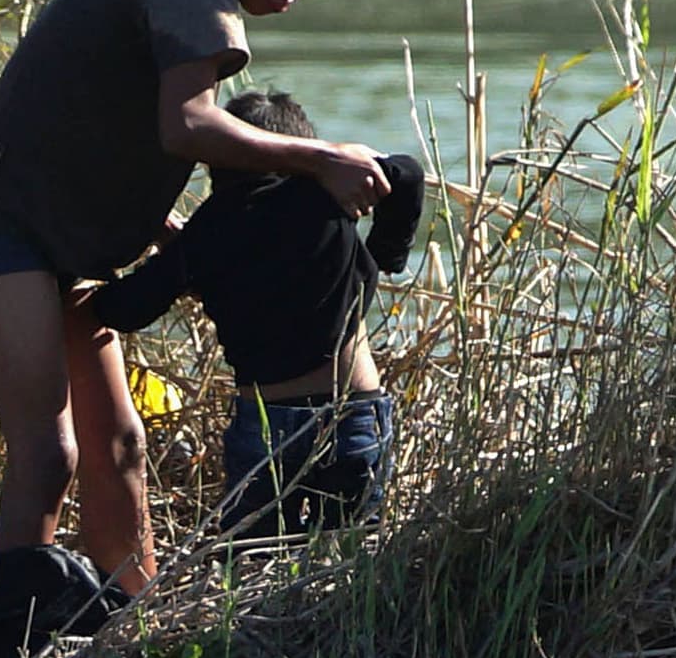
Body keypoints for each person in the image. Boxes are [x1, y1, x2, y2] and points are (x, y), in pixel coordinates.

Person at [0, 0, 394, 588]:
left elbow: (101, 122)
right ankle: (5, 652)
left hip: (68, 242)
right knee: (50, 455)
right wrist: (321, 156)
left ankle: (128, 630)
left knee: (121, 446)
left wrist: (154, 225)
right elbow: (188, 125)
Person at [89, 85, 426, 543]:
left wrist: (152, 248)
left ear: (215, 161)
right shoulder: (325, 194)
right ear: (302, 149)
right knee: (352, 558)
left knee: (254, 553)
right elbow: (407, 174)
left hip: (266, 427)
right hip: (352, 416)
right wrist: (386, 252)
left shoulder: (208, 231)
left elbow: (123, 310)